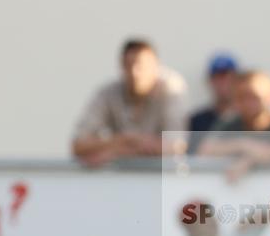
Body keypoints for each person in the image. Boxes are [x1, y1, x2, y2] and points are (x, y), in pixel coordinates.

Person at [72, 39, 188, 167]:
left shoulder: (171, 89)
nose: (134, 73)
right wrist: (126, 141)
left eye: (141, 66)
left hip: (162, 178)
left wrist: (116, 150)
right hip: (124, 180)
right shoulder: (108, 93)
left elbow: (176, 146)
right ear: (121, 67)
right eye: (128, 65)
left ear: (156, 66)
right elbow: (79, 145)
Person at [197, 70, 270, 181]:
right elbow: (205, 150)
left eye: (254, 97)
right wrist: (243, 145)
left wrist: (251, 159)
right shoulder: (230, 124)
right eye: (242, 97)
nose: (248, 103)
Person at [187, 54, 239, 154]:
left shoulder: (247, 118)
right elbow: (193, 153)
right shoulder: (197, 120)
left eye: (229, 77)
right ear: (210, 81)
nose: (224, 82)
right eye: (218, 77)